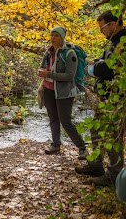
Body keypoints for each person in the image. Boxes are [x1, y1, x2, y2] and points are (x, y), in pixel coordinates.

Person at [75, 10, 126, 186]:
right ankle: (96, 164)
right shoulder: (113, 42)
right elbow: (101, 61)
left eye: (102, 27)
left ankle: (114, 174)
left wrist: (95, 68)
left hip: (116, 99)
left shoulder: (122, 43)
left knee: (112, 136)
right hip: (105, 97)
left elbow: (106, 69)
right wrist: (95, 64)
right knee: (96, 130)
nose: (100, 32)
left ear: (112, 24)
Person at [38, 26, 87, 159]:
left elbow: (69, 76)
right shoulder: (48, 52)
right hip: (48, 89)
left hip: (65, 92)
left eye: (56, 35)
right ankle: (56, 144)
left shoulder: (70, 53)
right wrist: (41, 72)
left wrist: (48, 74)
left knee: (65, 121)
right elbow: (43, 66)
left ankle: (82, 147)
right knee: (53, 119)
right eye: (51, 35)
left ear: (62, 38)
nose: (52, 38)